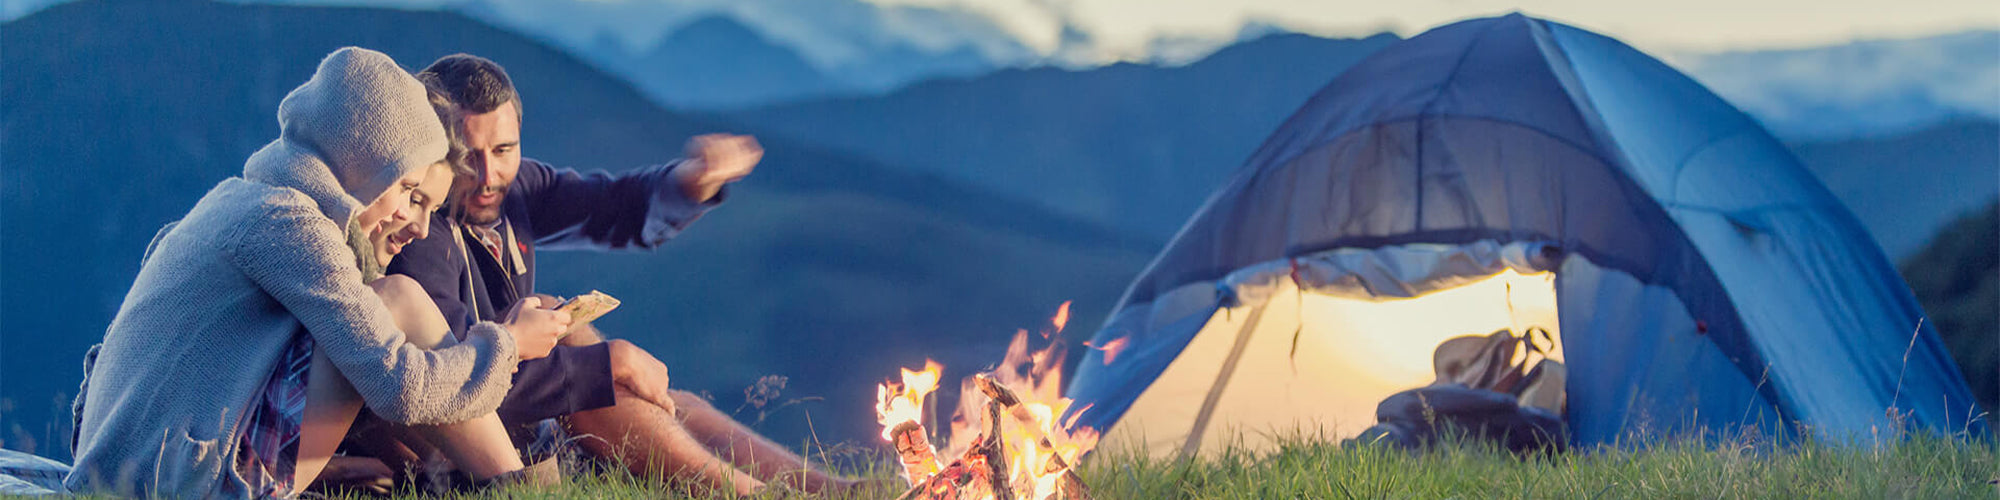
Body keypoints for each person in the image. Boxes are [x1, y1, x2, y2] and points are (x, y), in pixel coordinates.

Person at [64, 47, 570, 499]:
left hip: (143, 469)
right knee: (395, 302)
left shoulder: (241, 202)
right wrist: (507, 344)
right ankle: (521, 489)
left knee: (378, 313)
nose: (417, 225)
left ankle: (483, 483)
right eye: (408, 189)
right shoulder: (287, 222)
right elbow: (399, 386)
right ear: (363, 161)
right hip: (185, 482)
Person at [381, 54, 854, 496]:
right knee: (587, 369)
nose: (488, 174)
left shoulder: (515, 189)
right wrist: (611, 362)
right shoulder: (418, 232)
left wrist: (692, 181)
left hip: (526, 419)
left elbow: (609, 207)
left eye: (504, 150)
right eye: (468, 155)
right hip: (474, 450)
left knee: (668, 403)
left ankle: (834, 490)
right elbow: (452, 377)